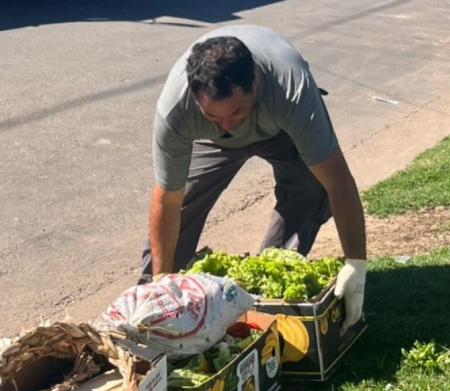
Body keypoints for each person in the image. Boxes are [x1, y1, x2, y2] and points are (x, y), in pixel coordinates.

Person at [139, 25, 367, 332]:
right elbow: (167, 198)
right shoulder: (176, 109)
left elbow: (337, 179)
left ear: (255, 84)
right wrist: (160, 281)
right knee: (183, 207)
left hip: (279, 128)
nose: (227, 125)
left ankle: (266, 289)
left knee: (311, 187)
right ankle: (153, 313)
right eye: (213, 116)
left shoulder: (290, 88)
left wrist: (357, 263)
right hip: (210, 144)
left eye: (235, 111)